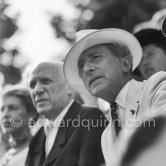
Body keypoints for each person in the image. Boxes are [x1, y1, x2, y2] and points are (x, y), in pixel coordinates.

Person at [64, 28, 166, 166]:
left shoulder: (157, 86)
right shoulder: (106, 136)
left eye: (96, 57)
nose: (87, 69)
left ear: (125, 64)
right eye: (81, 66)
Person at [25, 61, 107, 166]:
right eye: (32, 85)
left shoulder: (90, 119)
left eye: (46, 81)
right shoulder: (36, 138)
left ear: (69, 87)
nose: (37, 90)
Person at [0, 85, 38, 166]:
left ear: (31, 113)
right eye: (2, 109)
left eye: (13, 108)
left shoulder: (38, 151)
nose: (5, 115)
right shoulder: (5, 155)